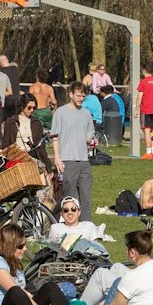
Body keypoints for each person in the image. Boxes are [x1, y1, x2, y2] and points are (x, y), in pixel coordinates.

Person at [51, 83, 97, 212]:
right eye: (78, 95)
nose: (81, 99)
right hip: (67, 161)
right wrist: (57, 158)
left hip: (84, 161)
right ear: (71, 94)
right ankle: (64, 225)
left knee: (86, 199)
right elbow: (55, 137)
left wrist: (92, 140)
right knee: (69, 199)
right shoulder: (61, 112)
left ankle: (86, 227)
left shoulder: (87, 114)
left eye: (83, 96)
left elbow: (88, 137)